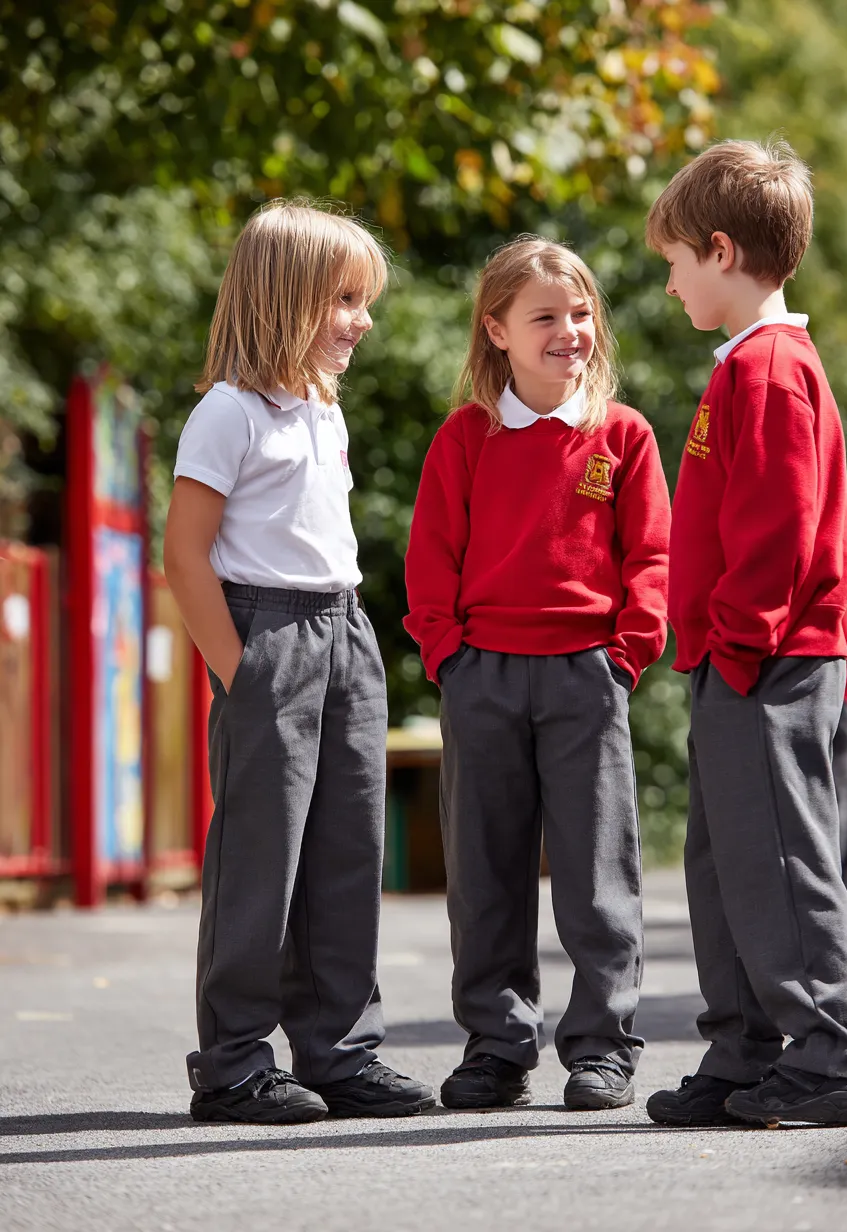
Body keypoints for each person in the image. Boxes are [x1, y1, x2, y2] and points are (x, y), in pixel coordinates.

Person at [164, 200, 434, 1123]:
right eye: (345, 300)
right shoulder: (227, 414)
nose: (362, 319)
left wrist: (346, 646)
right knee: (261, 857)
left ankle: (339, 1052)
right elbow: (185, 555)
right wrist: (241, 675)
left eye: (365, 300)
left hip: (345, 628)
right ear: (284, 300)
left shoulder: (322, 407)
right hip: (267, 636)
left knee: (347, 849)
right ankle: (235, 1061)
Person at [643, 140, 847, 1128]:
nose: (666, 282)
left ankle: (830, 1052)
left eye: (673, 261)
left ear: (721, 248)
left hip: (768, 658)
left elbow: (779, 531)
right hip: (733, 660)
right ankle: (745, 1047)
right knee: (725, 859)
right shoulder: (742, 364)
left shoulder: (773, 369)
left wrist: (735, 643)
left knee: (780, 856)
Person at [404, 236, 670, 1111]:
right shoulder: (467, 438)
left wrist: (625, 654)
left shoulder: (622, 435)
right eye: (546, 317)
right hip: (482, 677)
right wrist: (448, 656)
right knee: (485, 874)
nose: (570, 332)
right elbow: (431, 558)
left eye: (582, 313)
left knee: (598, 875)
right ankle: (497, 1044)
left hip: (585, 676)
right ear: (498, 331)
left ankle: (602, 1047)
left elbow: (654, 559)